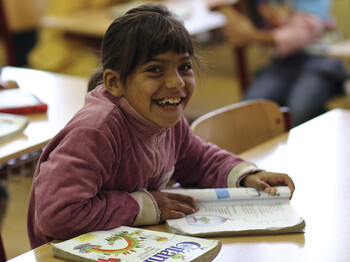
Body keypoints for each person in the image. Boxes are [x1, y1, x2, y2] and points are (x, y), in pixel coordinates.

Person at [27, 3, 295, 249]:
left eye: (185, 67)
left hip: (128, 243)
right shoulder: (94, 132)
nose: (176, 83)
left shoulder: (168, 118)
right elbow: (57, 215)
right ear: (114, 83)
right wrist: (143, 206)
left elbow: (198, 160)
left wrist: (246, 176)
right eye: (155, 69)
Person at [206, 0, 349, 126]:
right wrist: (231, 15)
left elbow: (303, 33)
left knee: (301, 108)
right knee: (251, 106)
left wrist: (252, 36)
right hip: (282, 62)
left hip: (322, 58)